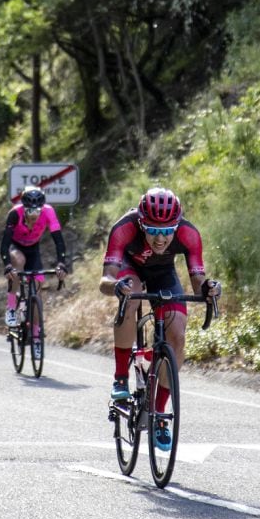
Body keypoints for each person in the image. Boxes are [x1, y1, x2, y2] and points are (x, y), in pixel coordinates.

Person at [99, 187, 220, 451]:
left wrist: (208, 289)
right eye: (152, 230)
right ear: (141, 223)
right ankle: (120, 379)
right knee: (130, 298)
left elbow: (197, 279)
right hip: (129, 270)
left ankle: (159, 413)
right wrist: (116, 287)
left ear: (177, 226)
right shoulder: (124, 228)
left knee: (177, 334)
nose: (160, 238)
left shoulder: (188, 233)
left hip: (163, 273)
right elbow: (106, 278)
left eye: (167, 231)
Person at [0, 185, 68, 327]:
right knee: (18, 263)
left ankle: (36, 333)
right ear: (24, 208)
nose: (34, 214)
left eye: (38, 210)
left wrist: (61, 263)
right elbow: (4, 244)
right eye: (30, 210)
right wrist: (7, 266)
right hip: (16, 246)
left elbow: (59, 241)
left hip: (33, 249)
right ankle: (11, 308)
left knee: (37, 290)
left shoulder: (49, 212)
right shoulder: (14, 214)